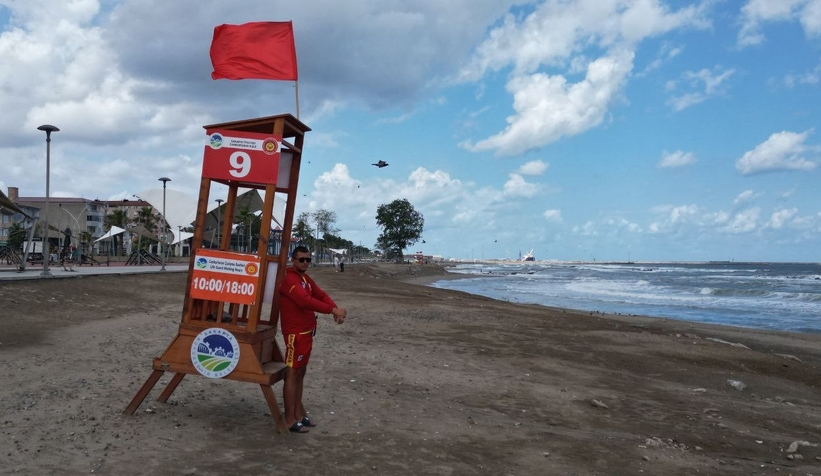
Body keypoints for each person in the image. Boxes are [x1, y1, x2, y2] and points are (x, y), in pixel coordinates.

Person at [279, 245, 347, 433]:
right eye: (301, 259)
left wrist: (335, 309)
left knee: (301, 372)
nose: (305, 263)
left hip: (307, 332)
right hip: (295, 334)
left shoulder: (305, 279)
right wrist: (332, 311)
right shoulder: (289, 279)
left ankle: (298, 414)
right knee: (292, 374)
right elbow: (305, 301)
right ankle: (289, 419)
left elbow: (320, 294)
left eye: (308, 260)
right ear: (293, 260)